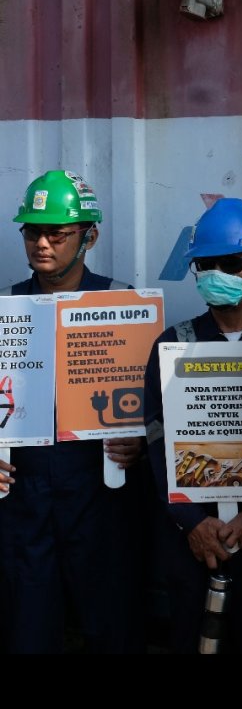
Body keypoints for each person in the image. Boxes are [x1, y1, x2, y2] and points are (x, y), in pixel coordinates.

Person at [143, 197, 242, 653]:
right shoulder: (172, 344)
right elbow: (156, 438)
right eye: (206, 264)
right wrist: (191, 522)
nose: (217, 274)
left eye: (231, 264)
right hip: (192, 537)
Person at [0, 170, 146, 653]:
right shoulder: (7, 310)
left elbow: (162, 410)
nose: (42, 243)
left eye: (57, 233)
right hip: (25, 499)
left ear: (89, 236)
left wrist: (139, 442)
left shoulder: (122, 304)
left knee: (112, 626)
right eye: (32, 232)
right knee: (28, 630)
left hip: (102, 494)